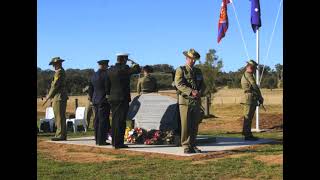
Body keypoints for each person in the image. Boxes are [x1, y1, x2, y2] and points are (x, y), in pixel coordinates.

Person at [106, 53, 141, 149]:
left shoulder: (110, 70)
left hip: (113, 98)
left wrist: (109, 95)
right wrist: (133, 62)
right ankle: (118, 143)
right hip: (122, 98)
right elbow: (138, 69)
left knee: (114, 120)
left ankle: (114, 142)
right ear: (125, 59)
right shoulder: (124, 68)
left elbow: (107, 85)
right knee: (120, 121)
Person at [174, 48, 206, 153]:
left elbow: (202, 84)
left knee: (195, 125)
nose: (193, 61)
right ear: (187, 58)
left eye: (194, 59)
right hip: (185, 101)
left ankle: (193, 144)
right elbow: (179, 84)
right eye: (191, 59)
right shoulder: (181, 70)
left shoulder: (198, 71)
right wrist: (191, 91)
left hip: (196, 101)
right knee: (186, 125)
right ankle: (186, 145)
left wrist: (200, 92)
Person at [44, 57, 68, 141]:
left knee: (59, 116)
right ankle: (62, 134)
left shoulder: (59, 72)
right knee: (60, 116)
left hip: (59, 96)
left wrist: (49, 96)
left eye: (54, 64)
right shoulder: (60, 71)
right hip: (59, 96)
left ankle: (60, 135)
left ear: (59, 63)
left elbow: (55, 85)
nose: (53, 66)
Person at [240, 60, 264, 141]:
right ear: (250, 67)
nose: (254, 70)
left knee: (248, 117)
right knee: (248, 117)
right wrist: (260, 96)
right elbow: (254, 86)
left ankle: (246, 133)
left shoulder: (246, 74)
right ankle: (247, 135)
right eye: (253, 68)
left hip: (250, 97)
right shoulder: (249, 75)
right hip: (249, 98)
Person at [88, 60, 111, 145]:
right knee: (103, 121)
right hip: (103, 100)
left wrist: (91, 99)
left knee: (96, 120)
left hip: (95, 100)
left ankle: (97, 139)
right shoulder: (106, 75)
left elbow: (90, 90)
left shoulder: (93, 75)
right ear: (104, 65)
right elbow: (107, 87)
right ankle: (101, 140)